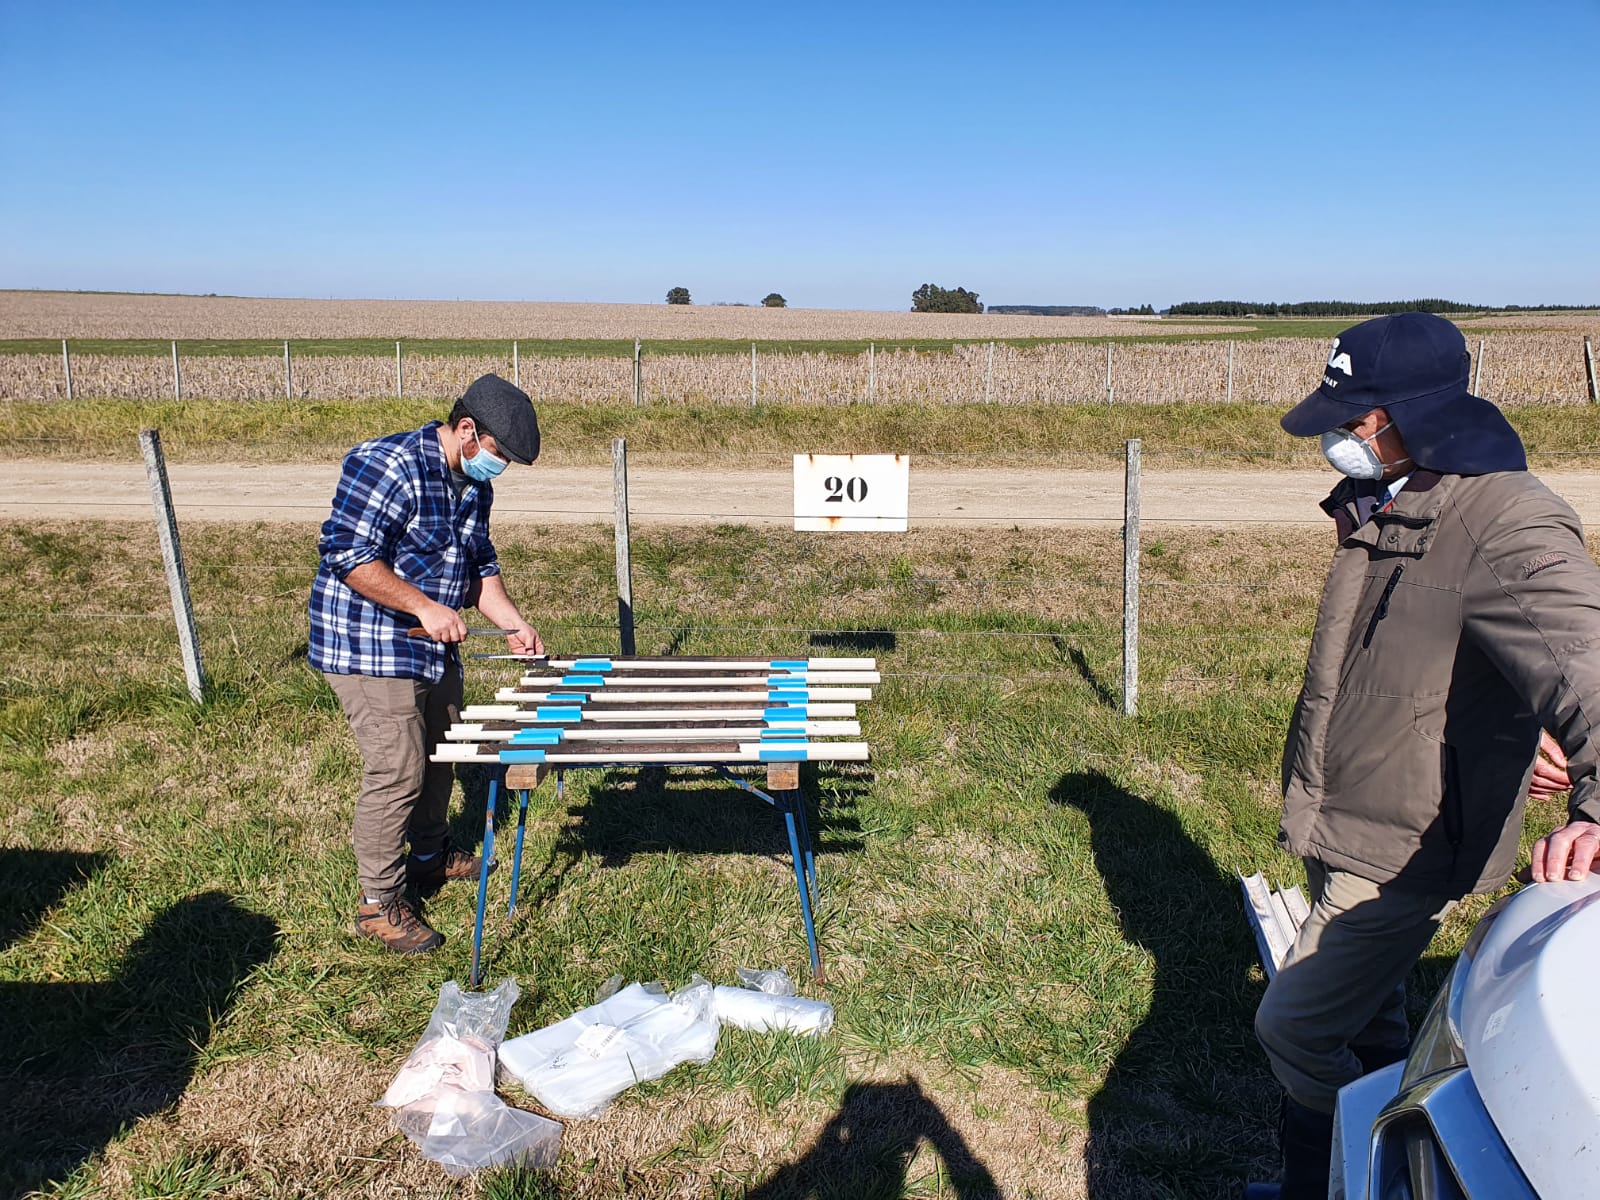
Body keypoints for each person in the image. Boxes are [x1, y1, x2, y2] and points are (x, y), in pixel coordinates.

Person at [1252, 312, 1600, 1198]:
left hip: (1404, 836)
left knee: (1291, 1030)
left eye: (1355, 417)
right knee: (1374, 1014)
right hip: (1355, 805)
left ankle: (1349, 1175)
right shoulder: (1398, 495)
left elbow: (1584, 667)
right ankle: (1365, 1110)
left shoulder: (1504, 522)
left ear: (1413, 412)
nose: (1338, 436)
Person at [310, 374, 545, 955]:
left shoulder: (473, 484)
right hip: (367, 642)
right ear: (467, 430)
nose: (501, 470)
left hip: (430, 644)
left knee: (444, 749)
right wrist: (423, 605)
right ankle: (378, 902)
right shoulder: (389, 464)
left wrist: (513, 625)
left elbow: (480, 570)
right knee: (399, 769)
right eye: (498, 455)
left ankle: (429, 854)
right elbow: (348, 555)